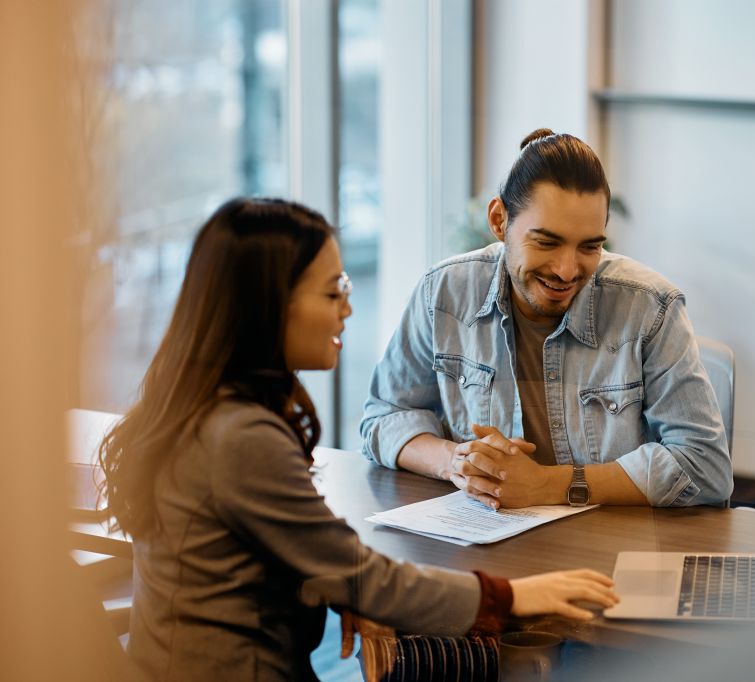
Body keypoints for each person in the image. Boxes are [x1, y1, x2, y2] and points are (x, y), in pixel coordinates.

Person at [98, 197, 618, 681]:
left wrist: (335, 581)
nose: (347, 306)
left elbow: (309, 558)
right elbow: (362, 573)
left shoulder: (203, 409)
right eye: (332, 291)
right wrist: (515, 596)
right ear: (267, 306)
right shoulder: (241, 436)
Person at [361, 128, 733, 510]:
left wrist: (552, 485)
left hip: (608, 546)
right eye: (547, 242)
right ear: (499, 220)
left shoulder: (651, 307)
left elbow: (705, 466)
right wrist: (454, 462)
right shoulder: (443, 293)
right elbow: (384, 417)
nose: (567, 270)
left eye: (590, 246)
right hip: (487, 544)